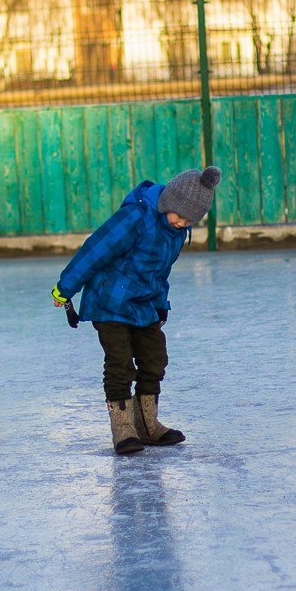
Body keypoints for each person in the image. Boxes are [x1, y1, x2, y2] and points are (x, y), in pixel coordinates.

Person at [51, 166, 222, 456]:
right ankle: (123, 430)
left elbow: (159, 273)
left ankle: (147, 424)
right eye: (179, 215)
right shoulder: (135, 217)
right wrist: (65, 288)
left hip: (143, 304)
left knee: (155, 358)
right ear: (169, 203)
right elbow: (96, 250)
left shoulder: (176, 233)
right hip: (109, 302)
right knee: (120, 363)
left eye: (190, 219)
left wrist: (160, 304)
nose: (182, 222)